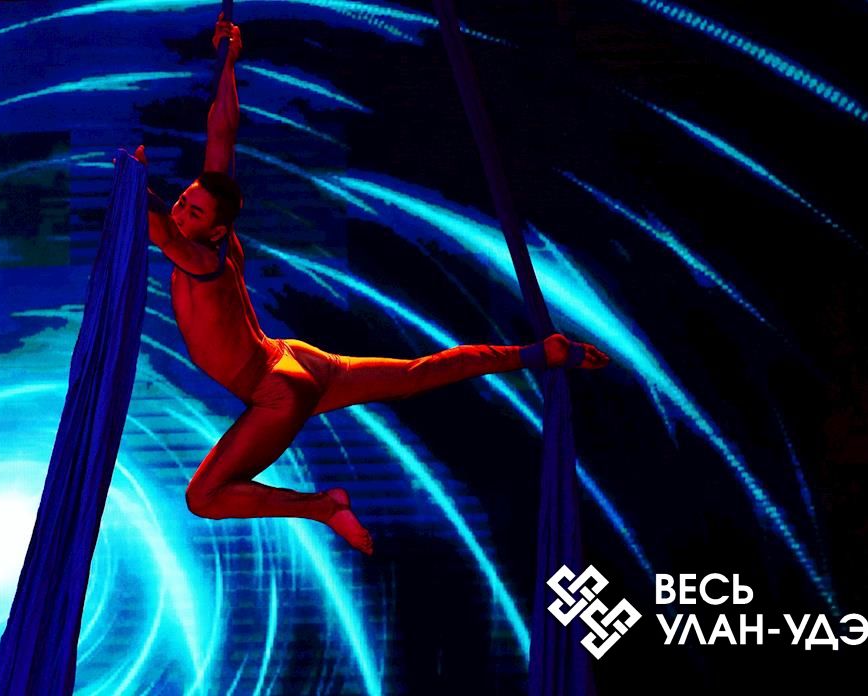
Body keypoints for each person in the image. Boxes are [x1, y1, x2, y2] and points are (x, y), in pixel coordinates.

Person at [130, 13, 610, 556]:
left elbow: (160, 230)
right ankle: (538, 353)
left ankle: (321, 507)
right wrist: (229, 62)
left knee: (204, 497)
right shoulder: (222, 240)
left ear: (215, 229)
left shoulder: (200, 260)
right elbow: (221, 134)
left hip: (275, 391)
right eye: (183, 202)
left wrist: (134, 182)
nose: (183, 210)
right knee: (414, 374)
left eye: (193, 210)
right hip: (296, 359)